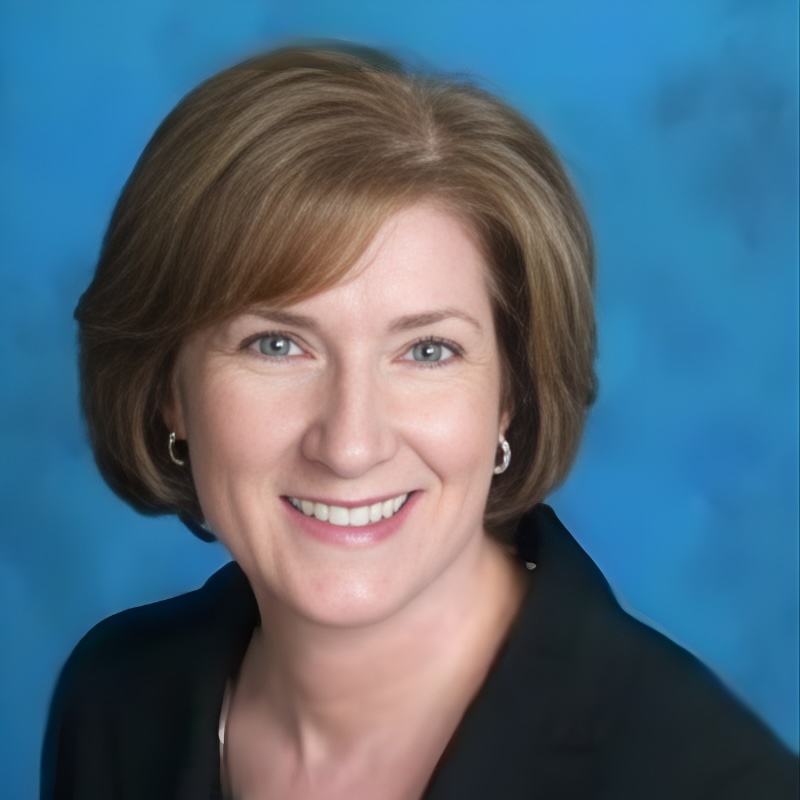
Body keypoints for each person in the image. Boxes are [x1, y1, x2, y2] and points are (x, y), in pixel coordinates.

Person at [41, 43, 797, 800]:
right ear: (170, 386)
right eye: (277, 344)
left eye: (428, 350)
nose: (350, 443)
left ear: (510, 396)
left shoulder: (708, 781)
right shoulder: (115, 702)